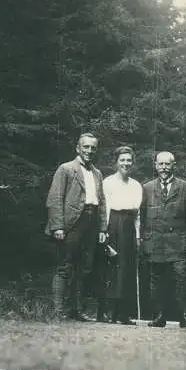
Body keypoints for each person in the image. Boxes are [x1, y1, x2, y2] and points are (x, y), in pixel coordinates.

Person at [45, 133, 107, 321]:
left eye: (93, 148)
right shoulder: (66, 169)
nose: (89, 151)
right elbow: (55, 198)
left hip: (91, 223)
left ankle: (76, 310)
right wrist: (58, 226)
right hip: (71, 223)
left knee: (85, 268)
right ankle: (58, 311)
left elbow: (102, 202)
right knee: (65, 266)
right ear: (78, 148)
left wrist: (103, 228)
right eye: (86, 147)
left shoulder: (97, 173)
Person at [140, 151, 186, 329]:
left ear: (174, 166)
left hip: (178, 242)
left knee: (181, 278)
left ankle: (184, 317)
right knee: (156, 280)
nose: (164, 168)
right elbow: (141, 216)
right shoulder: (147, 188)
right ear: (155, 165)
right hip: (155, 241)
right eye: (161, 164)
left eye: (167, 164)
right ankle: (159, 316)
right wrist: (142, 239)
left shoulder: (185, 187)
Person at [100, 146, 143, 325]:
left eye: (129, 160)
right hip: (112, 224)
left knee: (126, 269)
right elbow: (105, 209)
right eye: (122, 160)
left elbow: (138, 214)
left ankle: (123, 313)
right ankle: (108, 312)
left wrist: (138, 236)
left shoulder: (136, 185)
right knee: (112, 267)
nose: (126, 163)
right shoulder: (108, 182)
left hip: (129, 227)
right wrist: (104, 231)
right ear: (116, 162)